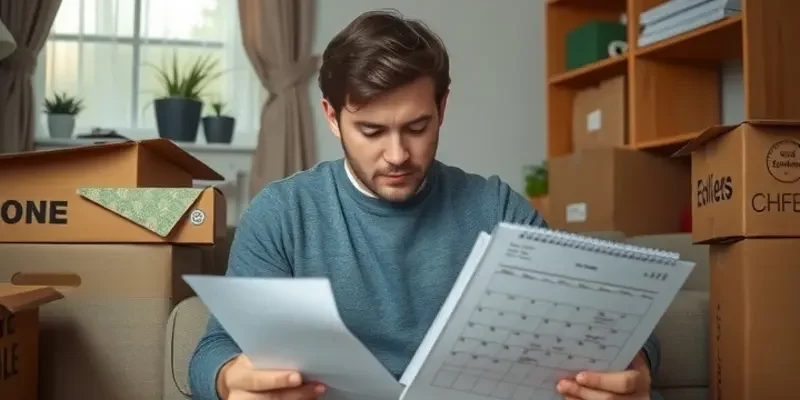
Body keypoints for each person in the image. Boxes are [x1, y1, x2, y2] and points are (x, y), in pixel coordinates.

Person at [188, 9, 661, 400]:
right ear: (332, 117)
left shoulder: (495, 207)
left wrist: (636, 366)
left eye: (417, 127)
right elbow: (214, 349)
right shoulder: (282, 214)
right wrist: (231, 380)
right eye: (371, 131)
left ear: (442, 109)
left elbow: (611, 322)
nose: (397, 155)